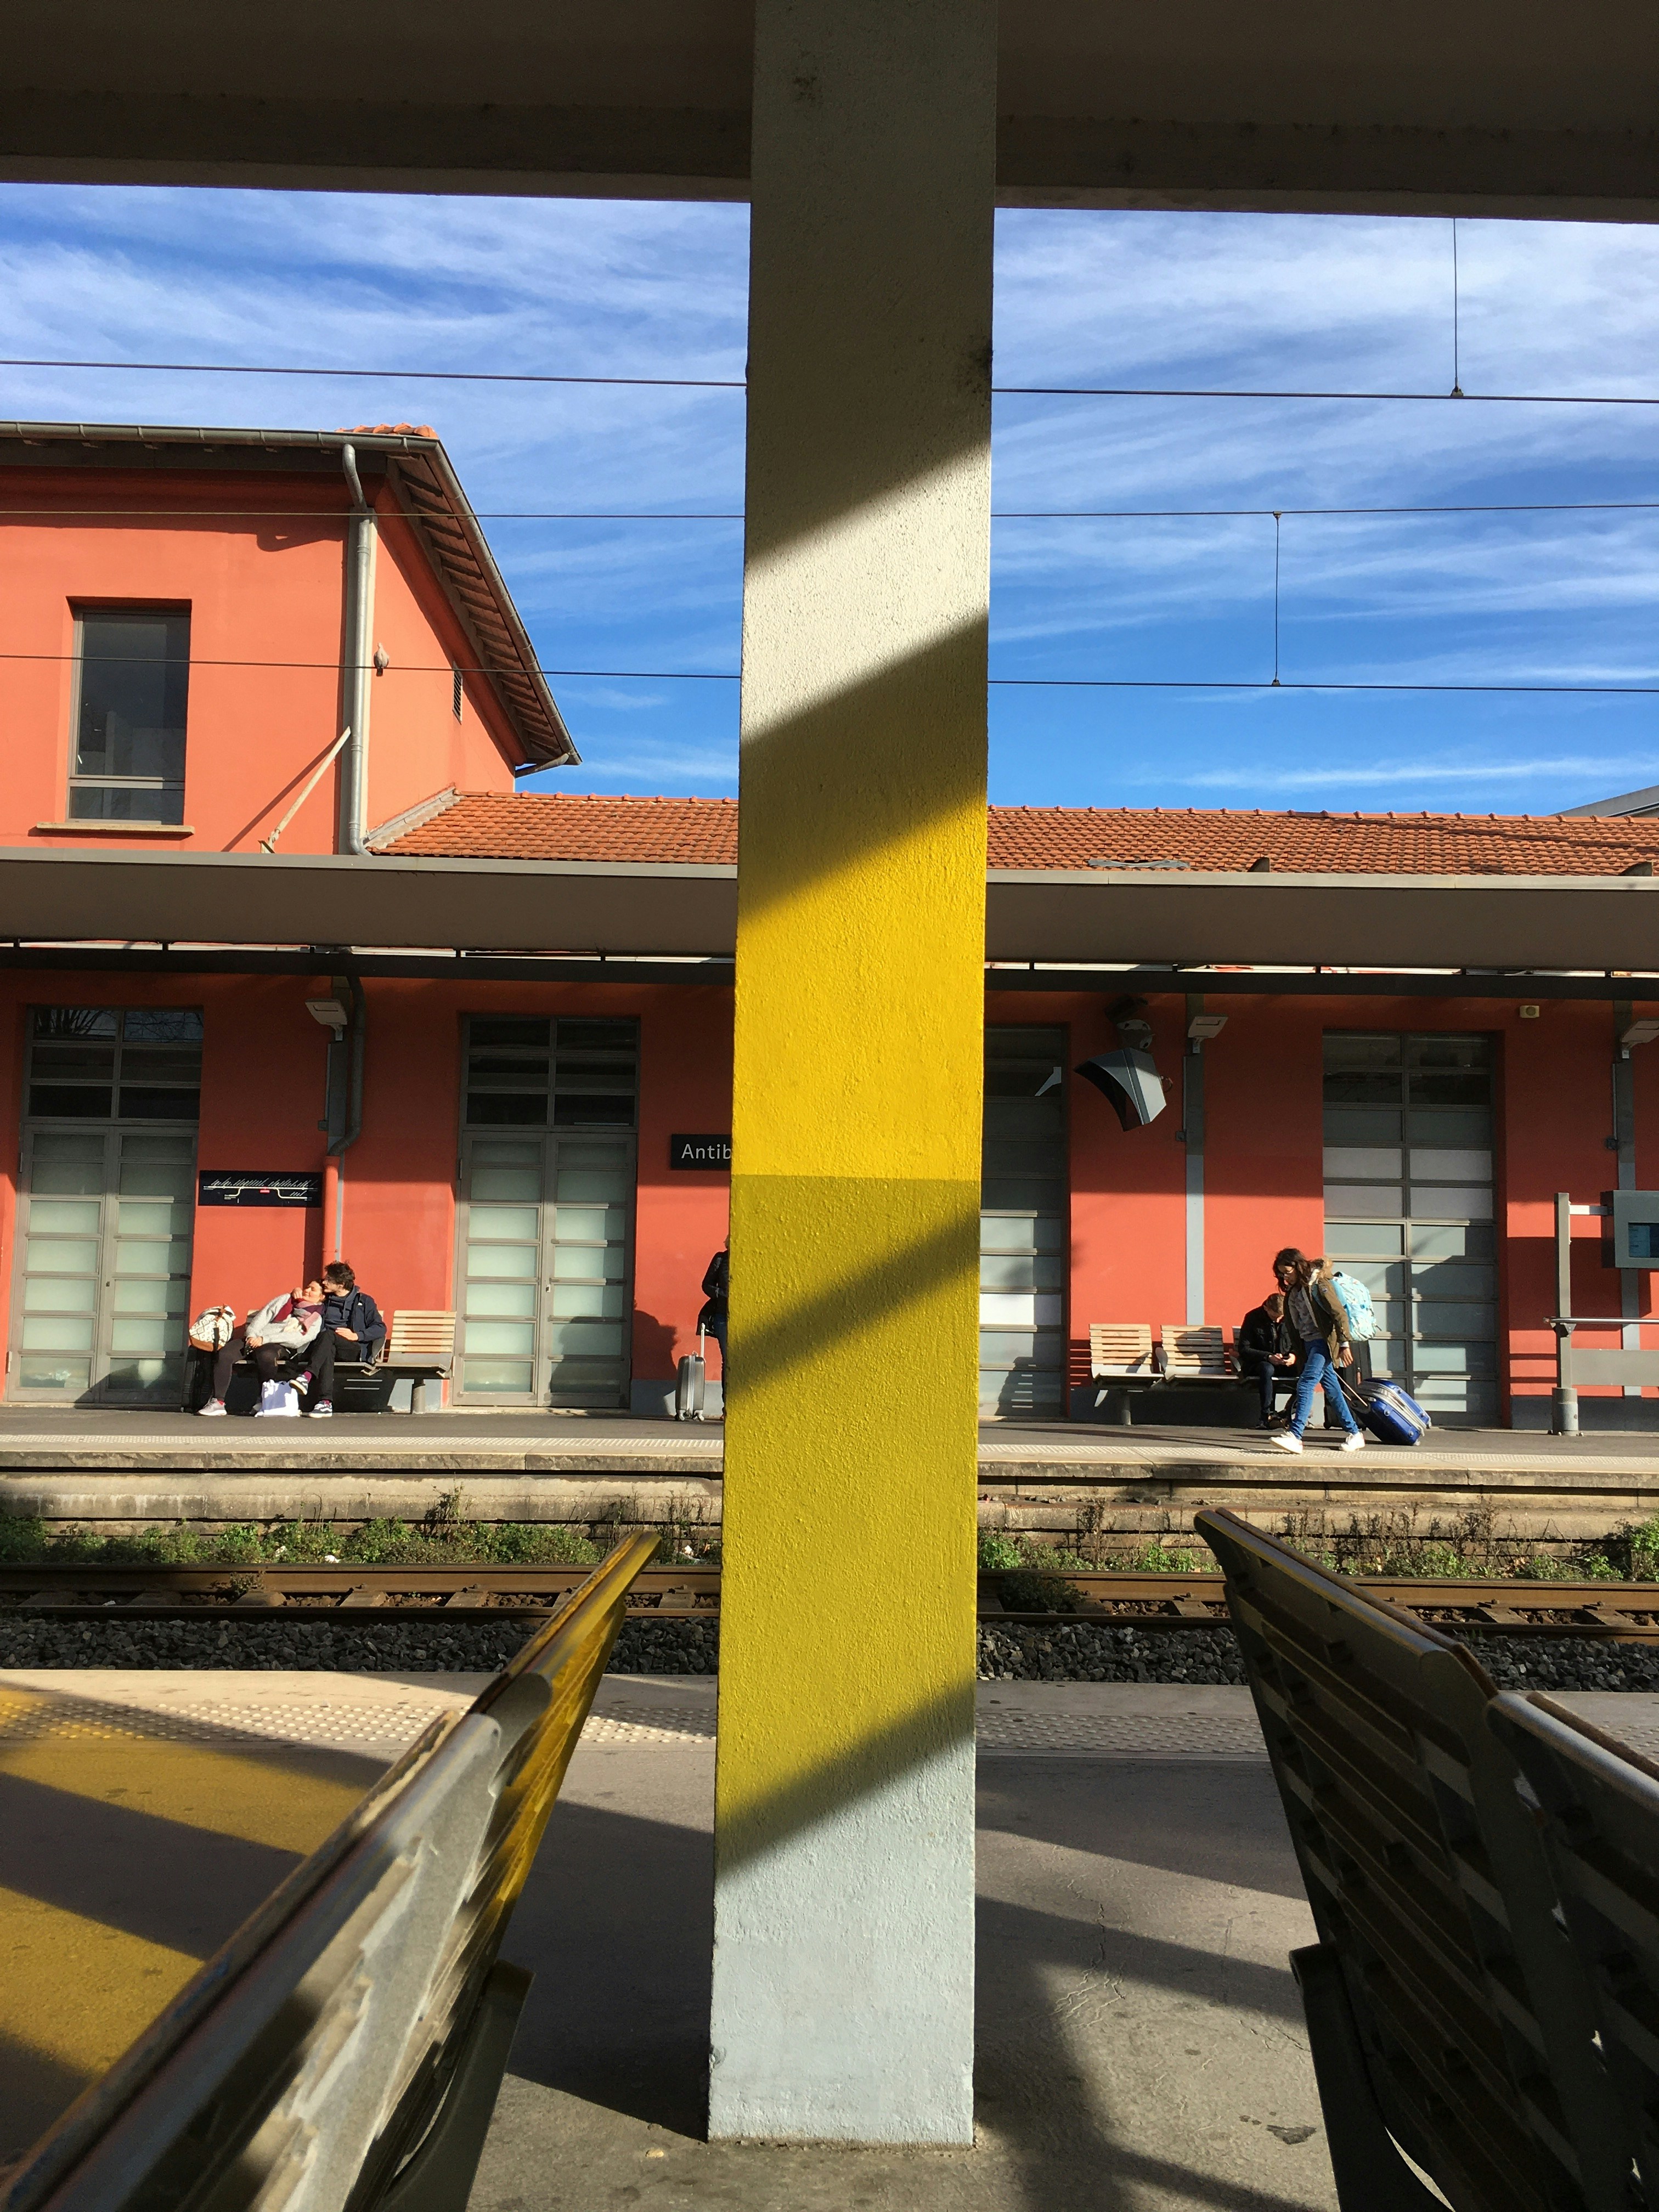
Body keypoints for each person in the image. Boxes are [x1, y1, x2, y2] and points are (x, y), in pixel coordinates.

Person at [1268, 1247, 1366, 1456]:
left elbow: (1338, 1313)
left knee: (1306, 1383)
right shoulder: (1293, 1292)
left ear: (1298, 1266)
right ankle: (1355, 1433)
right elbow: (1296, 1325)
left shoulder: (1318, 1285)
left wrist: (1344, 1344)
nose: (1285, 1277)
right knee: (1332, 1389)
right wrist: (1297, 1351)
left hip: (1323, 1342)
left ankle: (1295, 1435)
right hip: (1309, 1344)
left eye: (1288, 1272)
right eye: (1282, 1274)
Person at [198, 1280, 324, 1415]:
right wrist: (252, 1335)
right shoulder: (286, 1300)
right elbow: (263, 1317)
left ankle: (263, 1399)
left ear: (322, 1297)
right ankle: (218, 1402)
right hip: (255, 1339)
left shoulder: (316, 1318)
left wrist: (265, 1340)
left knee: (266, 1355)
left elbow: (298, 1339)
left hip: (279, 1345)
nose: (307, 1291)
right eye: (307, 1287)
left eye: (313, 1290)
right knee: (225, 1353)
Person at [303, 1260, 387, 1418]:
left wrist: (357, 1336)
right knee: (328, 1345)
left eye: (329, 1279)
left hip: (352, 1349)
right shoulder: (324, 1300)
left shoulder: (364, 1301)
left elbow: (380, 1328)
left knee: (328, 1336)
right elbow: (302, 1299)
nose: (324, 1282)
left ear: (341, 1284)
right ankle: (325, 1403)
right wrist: (296, 1291)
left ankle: (307, 1376)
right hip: (326, 1347)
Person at [1238, 1289, 1298, 1429]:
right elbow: (1244, 1349)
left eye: (1281, 1317)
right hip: (1259, 1364)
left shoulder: (1291, 1318)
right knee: (1267, 1369)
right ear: (1266, 1308)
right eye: (1274, 1316)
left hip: (1285, 1364)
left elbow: (1300, 1344)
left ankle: (1290, 1411)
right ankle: (1267, 1415)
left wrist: (1294, 1356)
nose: (1278, 1320)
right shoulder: (1253, 1318)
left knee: (1310, 1370)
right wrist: (1267, 1356)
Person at [698, 1238, 729, 1367]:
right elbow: (707, 1285)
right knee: (728, 1360)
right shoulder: (721, 1259)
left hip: (749, 1317)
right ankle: (726, 1388)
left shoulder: (753, 1259)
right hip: (723, 1316)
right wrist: (722, 1294)